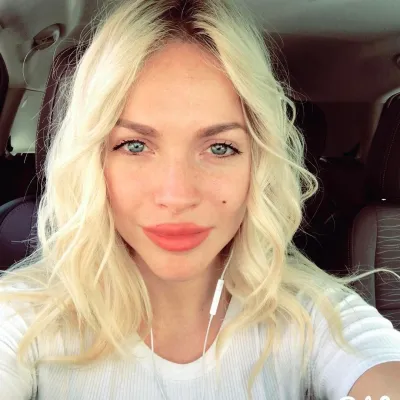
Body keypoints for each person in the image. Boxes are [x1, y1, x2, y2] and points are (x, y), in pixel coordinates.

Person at [1, 0, 400, 399]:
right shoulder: (21, 317)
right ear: (92, 160)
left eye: (220, 148)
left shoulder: (317, 316)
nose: (177, 196)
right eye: (134, 145)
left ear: (258, 164)